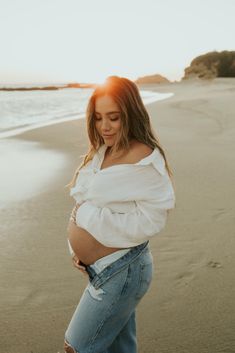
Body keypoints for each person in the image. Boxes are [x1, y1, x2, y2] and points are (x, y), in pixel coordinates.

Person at [64, 75, 175, 353]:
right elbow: (87, 199)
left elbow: (153, 219)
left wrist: (87, 219)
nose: (104, 126)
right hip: (102, 269)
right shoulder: (104, 150)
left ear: (130, 113)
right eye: (99, 117)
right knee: (119, 349)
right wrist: (80, 250)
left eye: (113, 117)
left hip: (122, 270)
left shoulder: (143, 157)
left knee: (75, 348)